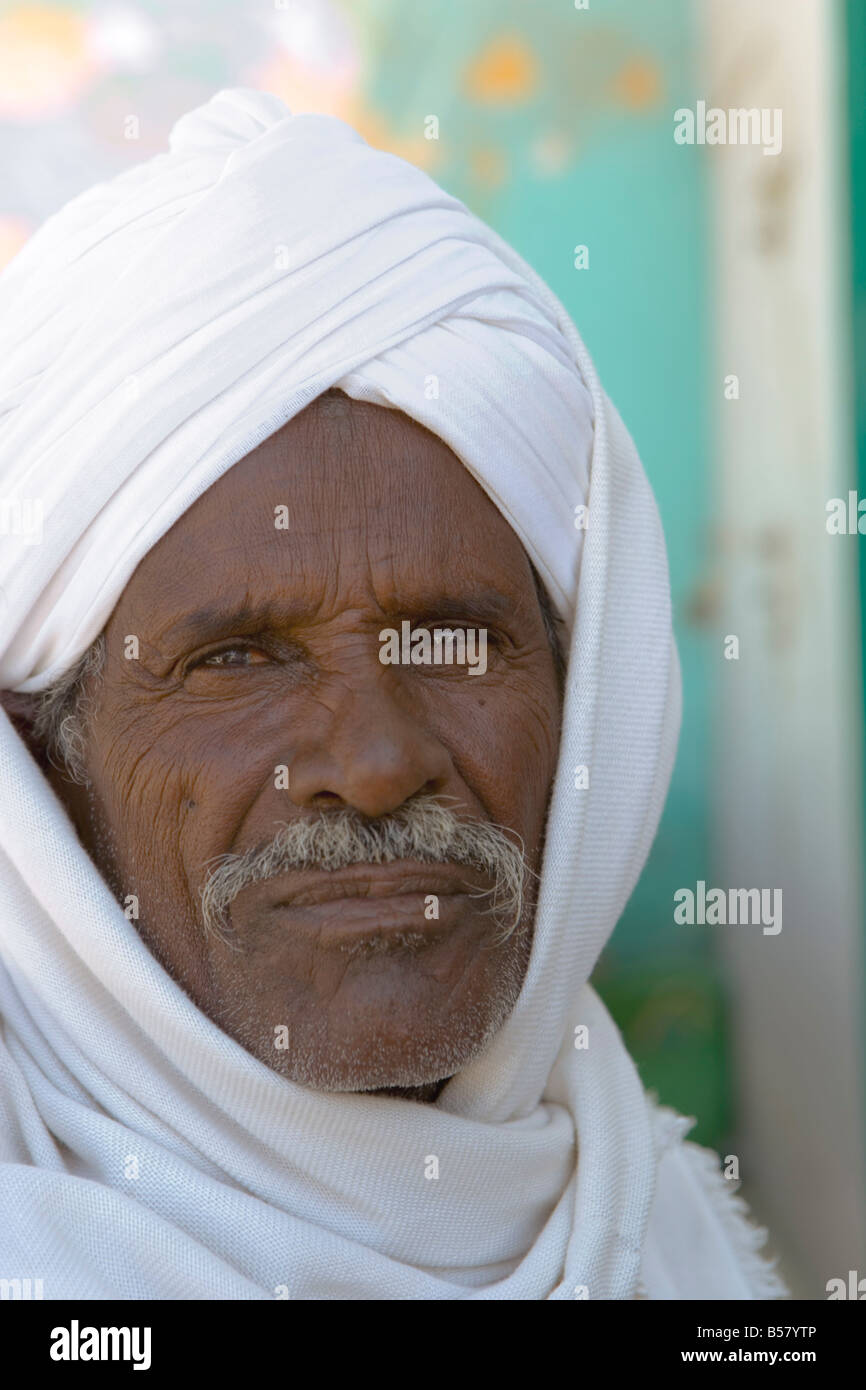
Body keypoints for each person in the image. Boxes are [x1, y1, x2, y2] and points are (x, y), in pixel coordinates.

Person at [0, 88, 786, 1300]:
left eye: (454, 644)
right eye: (237, 659)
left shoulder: (652, 1228)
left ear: (584, 702)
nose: (371, 762)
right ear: (41, 752)